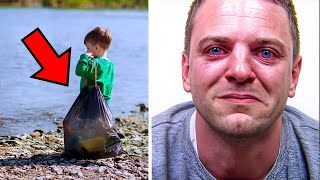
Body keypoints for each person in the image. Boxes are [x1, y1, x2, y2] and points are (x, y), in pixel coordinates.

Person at [152, 0, 319, 179]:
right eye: (215, 50)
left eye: (266, 53)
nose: (240, 71)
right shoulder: (155, 154)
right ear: (186, 71)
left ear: (293, 75)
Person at [75, 27, 114, 104]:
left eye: (88, 48)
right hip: (104, 103)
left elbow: (79, 71)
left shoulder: (93, 63)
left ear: (96, 47)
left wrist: (85, 56)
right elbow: (109, 85)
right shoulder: (110, 65)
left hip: (90, 102)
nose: (87, 51)